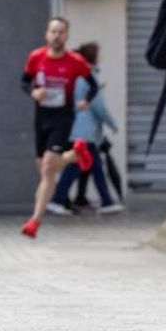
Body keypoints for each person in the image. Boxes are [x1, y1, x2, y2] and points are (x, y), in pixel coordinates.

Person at [19, 17, 96, 239]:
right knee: (45, 173)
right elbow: (24, 81)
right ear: (46, 34)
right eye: (53, 31)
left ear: (67, 35)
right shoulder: (36, 57)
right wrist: (33, 92)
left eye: (61, 32)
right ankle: (75, 154)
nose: (56, 36)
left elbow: (92, 85)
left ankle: (34, 221)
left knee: (48, 167)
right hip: (41, 117)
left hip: (62, 117)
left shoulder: (75, 61)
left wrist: (85, 101)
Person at [50, 42, 121, 215]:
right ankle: (58, 200)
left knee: (94, 167)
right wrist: (112, 124)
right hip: (84, 131)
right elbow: (99, 106)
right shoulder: (88, 77)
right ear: (93, 58)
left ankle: (106, 201)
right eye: (99, 55)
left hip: (79, 130)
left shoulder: (76, 75)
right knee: (81, 167)